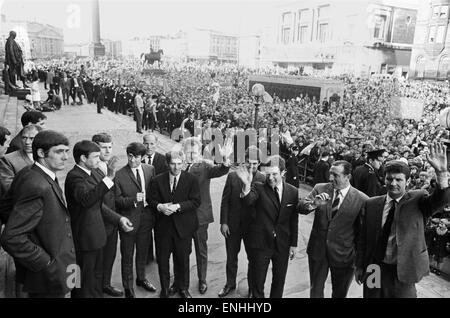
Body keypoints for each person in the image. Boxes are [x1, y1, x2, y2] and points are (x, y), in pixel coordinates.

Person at [355, 142, 450, 298]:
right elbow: (363, 239)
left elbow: (440, 200)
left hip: (403, 271)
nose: (393, 183)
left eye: (398, 179)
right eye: (389, 179)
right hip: (374, 267)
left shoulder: (418, 199)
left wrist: (442, 173)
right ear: (384, 179)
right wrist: (359, 265)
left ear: (407, 180)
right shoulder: (371, 204)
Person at [0, 130, 75, 298]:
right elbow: (11, 237)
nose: (65, 157)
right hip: (49, 273)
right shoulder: (36, 184)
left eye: (66, 151)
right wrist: (46, 263)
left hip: (64, 263)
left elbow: (6, 207)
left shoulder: (29, 172)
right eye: (59, 151)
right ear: (41, 153)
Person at [65, 140, 130, 298]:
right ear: (83, 158)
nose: (98, 159)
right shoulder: (75, 177)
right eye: (94, 156)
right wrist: (109, 177)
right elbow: (87, 200)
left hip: (96, 236)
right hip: (84, 239)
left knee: (95, 276)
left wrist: (118, 218)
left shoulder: (92, 171)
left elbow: (99, 203)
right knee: (82, 281)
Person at [299, 160, 368, 298]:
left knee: (340, 293)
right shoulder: (320, 188)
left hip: (345, 256)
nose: (330, 178)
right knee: (316, 290)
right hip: (318, 251)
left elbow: (362, 234)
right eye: (330, 174)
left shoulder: (362, 199)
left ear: (347, 177)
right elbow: (301, 207)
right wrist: (314, 204)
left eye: (335, 175)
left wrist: (358, 259)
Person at [236, 155, 299, 298]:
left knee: (279, 281)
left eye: (274, 174)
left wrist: (293, 244)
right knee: (257, 283)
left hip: (282, 245)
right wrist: (246, 186)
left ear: (283, 173)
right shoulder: (258, 187)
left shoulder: (292, 192)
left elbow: (293, 220)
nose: (270, 178)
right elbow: (248, 201)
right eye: (267, 174)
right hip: (261, 244)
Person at [181, 136, 232, 295]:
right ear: (184, 152)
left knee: (201, 250)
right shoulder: (177, 166)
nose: (191, 155)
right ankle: (181, 282)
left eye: (194, 152)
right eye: (188, 152)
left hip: (200, 217)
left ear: (199, 152)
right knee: (181, 251)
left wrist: (225, 160)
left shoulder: (205, 167)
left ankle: (202, 279)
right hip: (181, 217)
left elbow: (220, 170)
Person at [149, 150, 201, 298]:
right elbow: (152, 201)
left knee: (183, 260)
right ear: (167, 163)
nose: (176, 167)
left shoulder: (191, 179)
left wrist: (177, 206)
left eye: (179, 164)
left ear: (183, 163)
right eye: (172, 163)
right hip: (163, 229)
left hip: (183, 228)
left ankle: (183, 288)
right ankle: (165, 289)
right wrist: (160, 207)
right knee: (163, 260)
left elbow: (196, 201)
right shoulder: (157, 180)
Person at [218, 146, 266, 298]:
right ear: (244, 161)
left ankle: (253, 288)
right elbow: (225, 201)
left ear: (259, 163)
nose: (251, 167)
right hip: (233, 225)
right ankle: (230, 284)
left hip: (253, 228)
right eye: (249, 163)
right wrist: (224, 222)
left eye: (255, 163)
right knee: (231, 257)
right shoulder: (233, 176)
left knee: (253, 259)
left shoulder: (263, 179)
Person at [114, 142, 157, 298]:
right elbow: (116, 200)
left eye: (136, 157)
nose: (132, 160)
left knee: (143, 252)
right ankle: (128, 287)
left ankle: (141, 279)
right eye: (130, 156)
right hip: (129, 219)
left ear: (143, 157)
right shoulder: (119, 175)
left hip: (146, 218)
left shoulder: (149, 169)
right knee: (127, 254)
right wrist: (133, 199)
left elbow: (154, 192)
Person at [92, 133, 128, 297]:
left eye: (110, 147)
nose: (107, 150)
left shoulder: (108, 166)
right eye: (103, 147)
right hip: (99, 223)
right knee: (96, 261)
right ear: (94, 147)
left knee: (109, 257)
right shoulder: (92, 169)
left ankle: (105, 284)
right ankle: (95, 289)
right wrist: (118, 218)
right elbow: (97, 202)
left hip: (112, 223)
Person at [142, 133, 168, 263]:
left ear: (156, 144)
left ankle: (161, 255)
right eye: (146, 143)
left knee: (160, 231)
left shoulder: (163, 160)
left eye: (152, 143)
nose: (149, 146)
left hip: (159, 202)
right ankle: (147, 257)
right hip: (145, 204)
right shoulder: (138, 159)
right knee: (145, 231)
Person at [0, 124, 42, 194]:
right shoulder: (7, 159)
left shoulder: (46, 156)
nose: (27, 142)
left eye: (32, 138)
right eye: (24, 138)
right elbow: (8, 188)